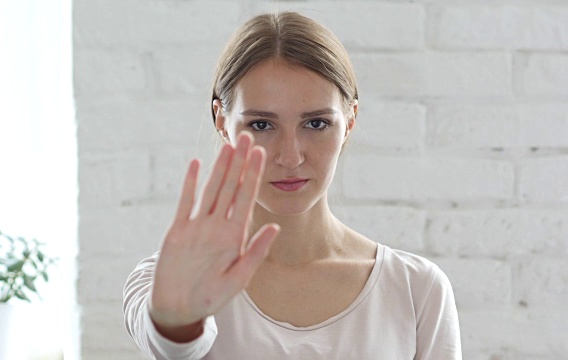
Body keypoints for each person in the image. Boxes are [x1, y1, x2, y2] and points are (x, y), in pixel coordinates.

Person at [123, 11, 461, 359]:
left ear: (349, 120)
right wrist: (178, 321)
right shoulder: (170, 281)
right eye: (261, 125)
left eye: (315, 124)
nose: (290, 157)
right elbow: (168, 341)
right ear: (223, 122)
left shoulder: (416, 289)